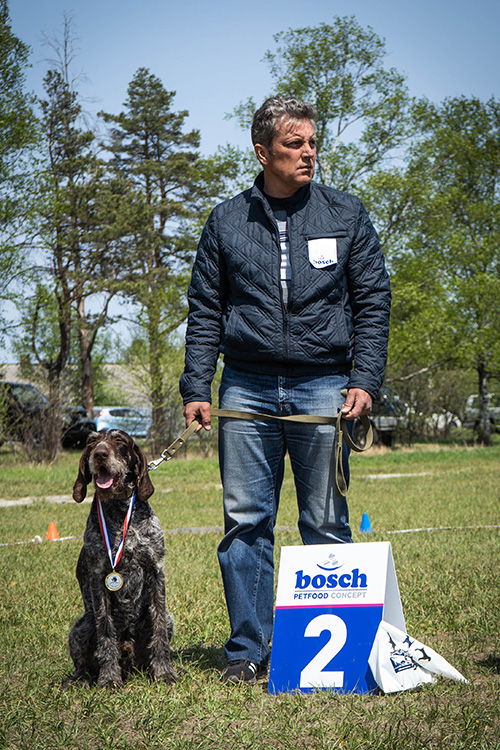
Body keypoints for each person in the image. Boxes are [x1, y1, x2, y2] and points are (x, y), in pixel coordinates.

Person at [180, 96, 391, 684]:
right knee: (246, 521)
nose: (308, 153)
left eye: (312, 143)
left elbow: (373, 302)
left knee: (325, 520)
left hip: (326, 384)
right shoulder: (226, 221)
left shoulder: (346, 214)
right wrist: (198, 384)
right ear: (262, 151)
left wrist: (364, 380)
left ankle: (340, 658)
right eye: (294, 144)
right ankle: (249, 651)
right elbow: (205, 309)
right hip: (244, 385)